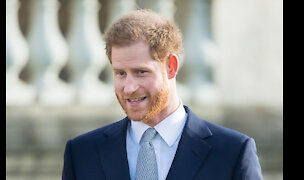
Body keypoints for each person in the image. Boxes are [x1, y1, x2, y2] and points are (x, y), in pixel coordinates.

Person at [62, 9, 262, 180]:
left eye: (141, 72)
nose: (129, 88)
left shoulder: (233, 152)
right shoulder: (81, 153)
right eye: (120, 73)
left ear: (171, 67)